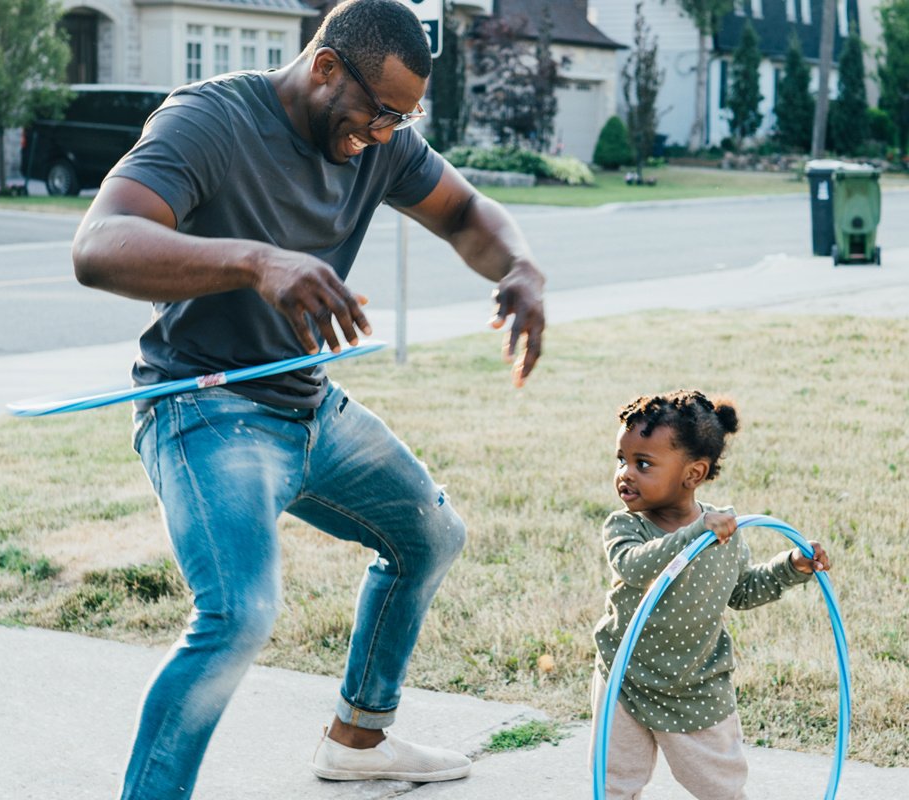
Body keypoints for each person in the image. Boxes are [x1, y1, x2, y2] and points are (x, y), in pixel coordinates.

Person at [70, 1, 546, 795]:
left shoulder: (379, 143)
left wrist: (519, 268)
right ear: (325, 68)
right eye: (380, 113)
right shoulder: (210, 120)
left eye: (405, 118)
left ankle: (359, 740)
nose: (388, 134)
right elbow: (98, 246)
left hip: (306, 405)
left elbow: (465, 212)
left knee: (429, 535)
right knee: (238, 615)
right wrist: (257, 262)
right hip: (204, 407)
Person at [592, 390, 832, 800]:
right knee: (615, 782)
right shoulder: (626, 527)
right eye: (622, 460)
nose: (625, 473)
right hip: (624, 677)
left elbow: (741, 591)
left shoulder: (723, 535)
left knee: (720, 788)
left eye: (643, 463)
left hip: (695, 687)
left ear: (693, 473)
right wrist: (695, 532)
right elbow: (634, 566)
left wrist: (791, 567)